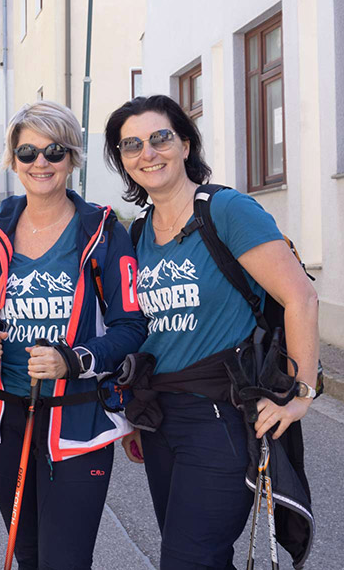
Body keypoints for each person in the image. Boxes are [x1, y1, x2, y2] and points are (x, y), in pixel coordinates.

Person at [103, 94, 320, 569]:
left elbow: (300, 296)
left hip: (221, 414)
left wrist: (301, 392)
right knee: (198, 555)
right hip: (160, 417)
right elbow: (144, 331)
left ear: (184, 143)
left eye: (160, 138)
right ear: (123, 161)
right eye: (132, 145)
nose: (148, 153)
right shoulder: (137, 234)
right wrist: (133, 417)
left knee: (187, 559)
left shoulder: (225, 210)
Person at [0, 101, 147, 569]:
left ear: (72, 158)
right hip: (1, 418)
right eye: (27, 152)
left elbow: (131, 325)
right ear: (12, 159)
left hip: (76, 421)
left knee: (65, 559)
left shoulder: (101, 230)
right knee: (28, 552)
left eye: (54, 151)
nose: (40, 162)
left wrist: (74, 359)